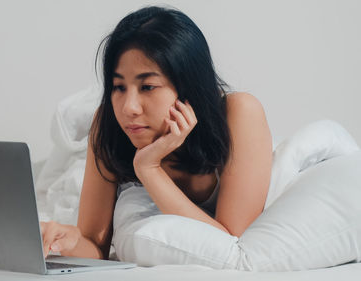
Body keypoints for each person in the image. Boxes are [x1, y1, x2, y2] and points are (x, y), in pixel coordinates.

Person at [40, 5, 273, 260]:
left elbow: (230, 248)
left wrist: (149, 169)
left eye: (148, 86)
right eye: (118, 86)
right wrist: (70, 241)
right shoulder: (107, 125)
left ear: (188, 86)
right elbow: (96, 247)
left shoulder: (239, 114)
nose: (129, 107)